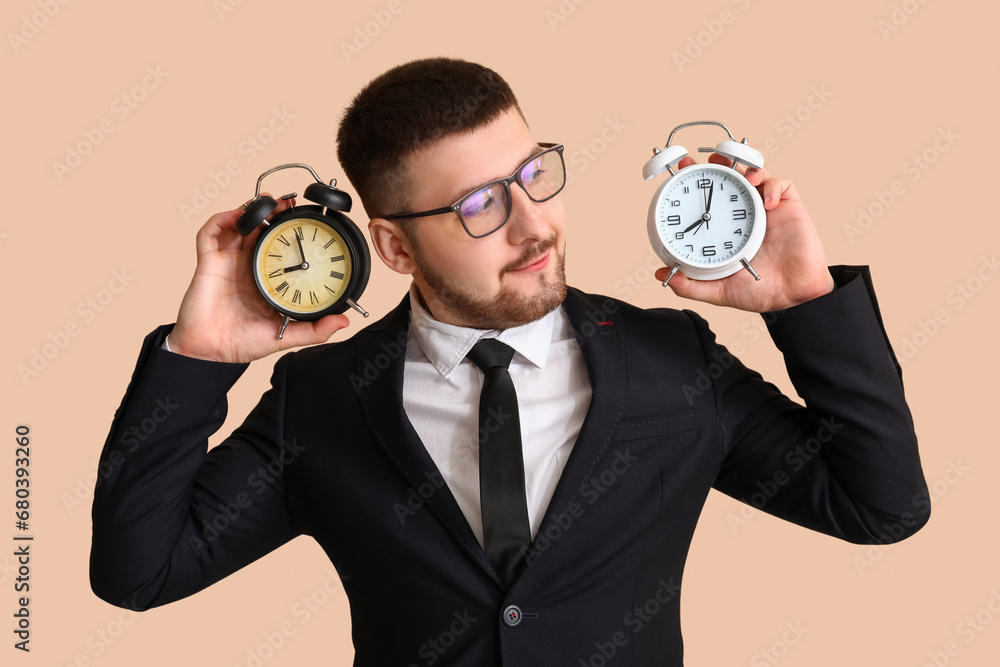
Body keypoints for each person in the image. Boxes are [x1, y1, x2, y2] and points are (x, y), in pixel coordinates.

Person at [90, 57, 930, 666]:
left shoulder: (672, 364)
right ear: (392, 245)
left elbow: (880, 505)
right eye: (481, 203)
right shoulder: (319, 400)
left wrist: (805, 306)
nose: (536, 225)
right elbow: (140, 570)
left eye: (534, 174)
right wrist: (198, 357)